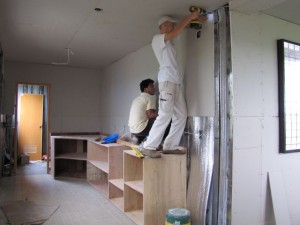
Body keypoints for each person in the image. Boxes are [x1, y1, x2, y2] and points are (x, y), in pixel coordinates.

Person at [141, 12, 207, 158]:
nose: (173, 27)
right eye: (171, 25)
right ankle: (149, 146)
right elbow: (176, 31)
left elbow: (179, 29)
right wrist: (190, 16)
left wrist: (195, 20)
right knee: (165, 114)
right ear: (163, 26)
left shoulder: (170, 43)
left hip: (175, 83)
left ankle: (169, 145)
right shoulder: (157, 39)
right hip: (167, 82)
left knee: (181, 115)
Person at [128, 79, 158, 144]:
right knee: (162, 118)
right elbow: (150, 115)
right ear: (146, 89)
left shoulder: (136, 99)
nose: (154, 88)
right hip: (142, 130)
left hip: (133, 131)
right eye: (151, 86)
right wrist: (162, 113)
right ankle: (158, 144)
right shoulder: (150, 97)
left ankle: (138, 140)